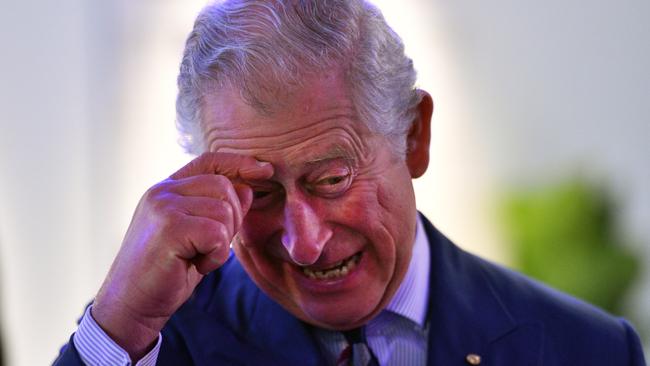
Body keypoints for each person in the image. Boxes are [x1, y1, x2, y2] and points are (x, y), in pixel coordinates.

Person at [54, 1, 646, 365]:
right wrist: (117, 324)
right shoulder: (153, 348)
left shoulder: (588, 351)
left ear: (413, 136)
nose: (303, 243)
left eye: (332, 179)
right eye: (259, 193)